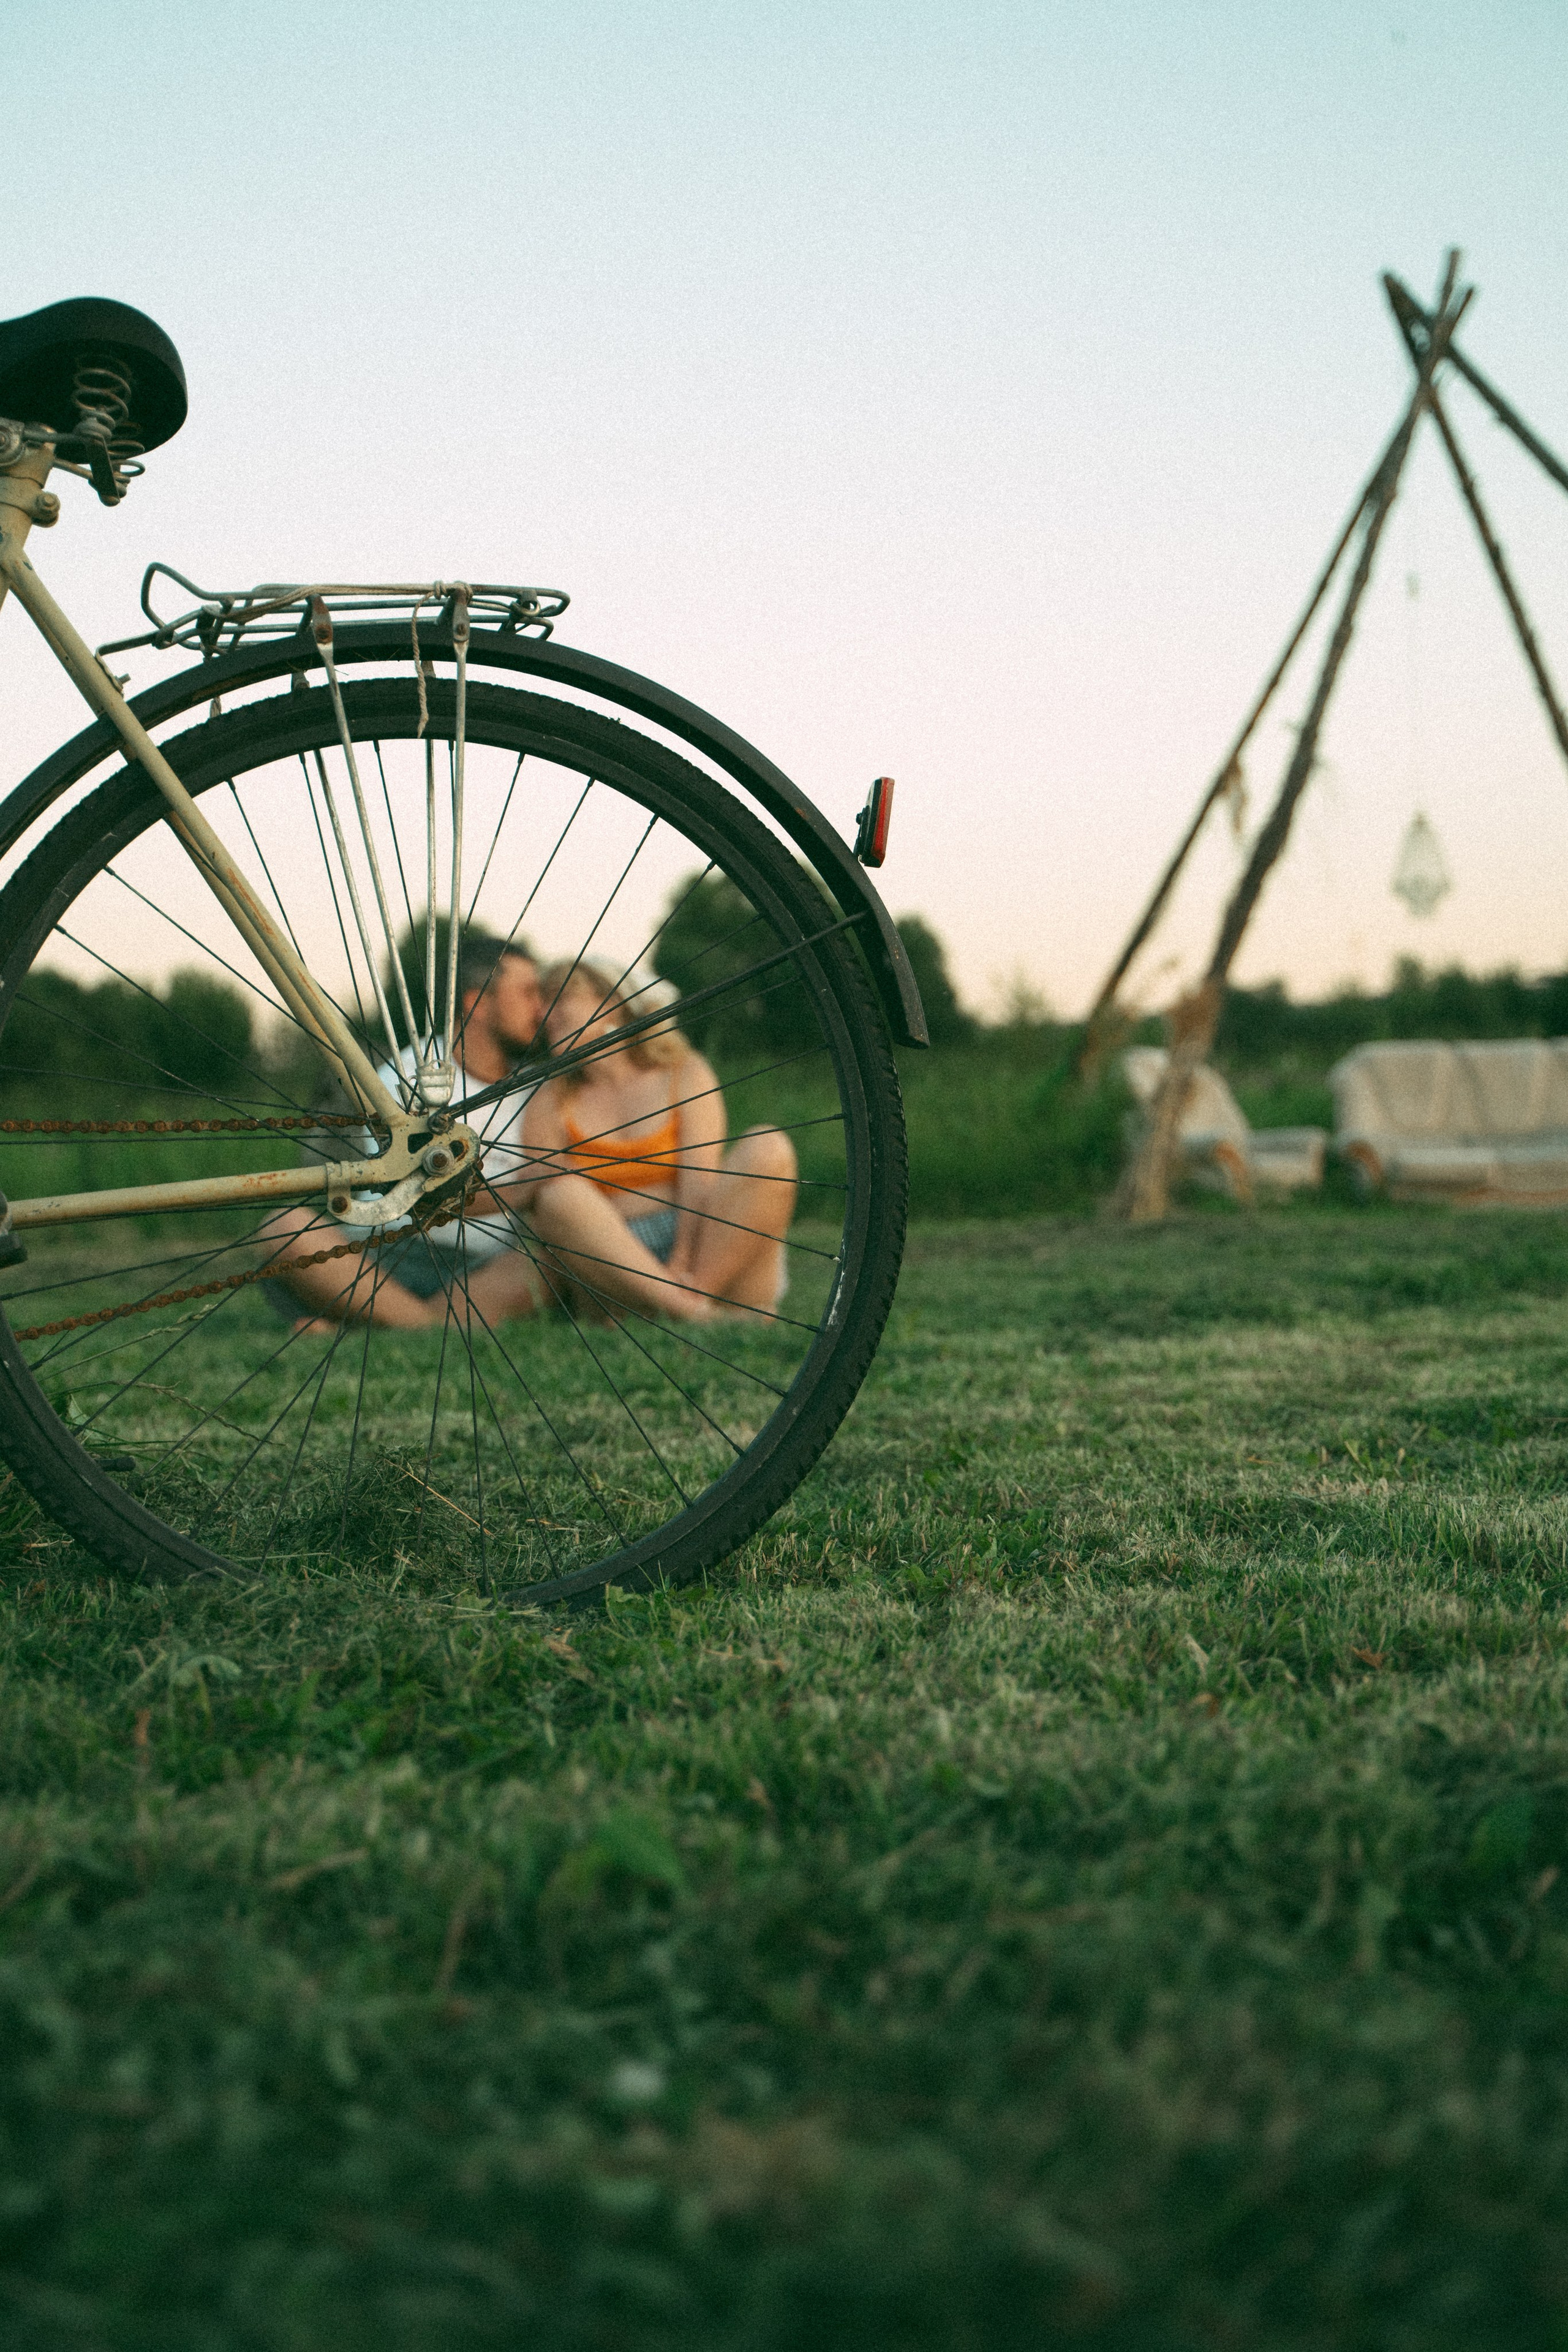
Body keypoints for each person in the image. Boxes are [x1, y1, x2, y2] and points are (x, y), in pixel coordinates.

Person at [263, 933, 547, 1331]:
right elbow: (418, 1192)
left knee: (554, 1262)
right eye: (529, 993)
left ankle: (385, 1322)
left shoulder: (539, 1089)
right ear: (478, 1003)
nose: (541, 1009)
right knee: (285, 1228)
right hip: (388, 1257)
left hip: (487, 1267)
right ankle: (427, 1324)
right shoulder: (407, 1072)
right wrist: (524, 1192)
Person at [524, 957, 798, 1322]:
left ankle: (689, 1306)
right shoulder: (550, 1097)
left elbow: (699, 1181)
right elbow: (543, 1198)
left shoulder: (685, 1071)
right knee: (557, 1195)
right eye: (543, 1002)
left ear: (611, 1003)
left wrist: (683, 1259)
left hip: (703, 1248)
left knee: (769, 1146)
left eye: (560, 998)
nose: (544, 1013)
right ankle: (696, 1315)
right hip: (615, 1263)